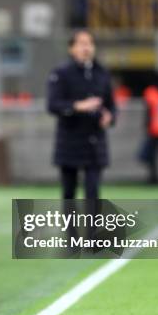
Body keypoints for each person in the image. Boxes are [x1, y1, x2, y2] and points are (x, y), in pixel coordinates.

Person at [47, 29, 116, 201]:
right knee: (69, 193)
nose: (86, 48)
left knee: (93, 192)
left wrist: (110, 117)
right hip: (70, 140)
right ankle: (71, 228)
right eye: (82, 44)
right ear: (72, 48)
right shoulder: (61, 73)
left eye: (89, 43)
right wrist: (78, 106)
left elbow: (111, 105)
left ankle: (92, 228)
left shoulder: (102, 73)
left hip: (94, 141)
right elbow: (53, 105)